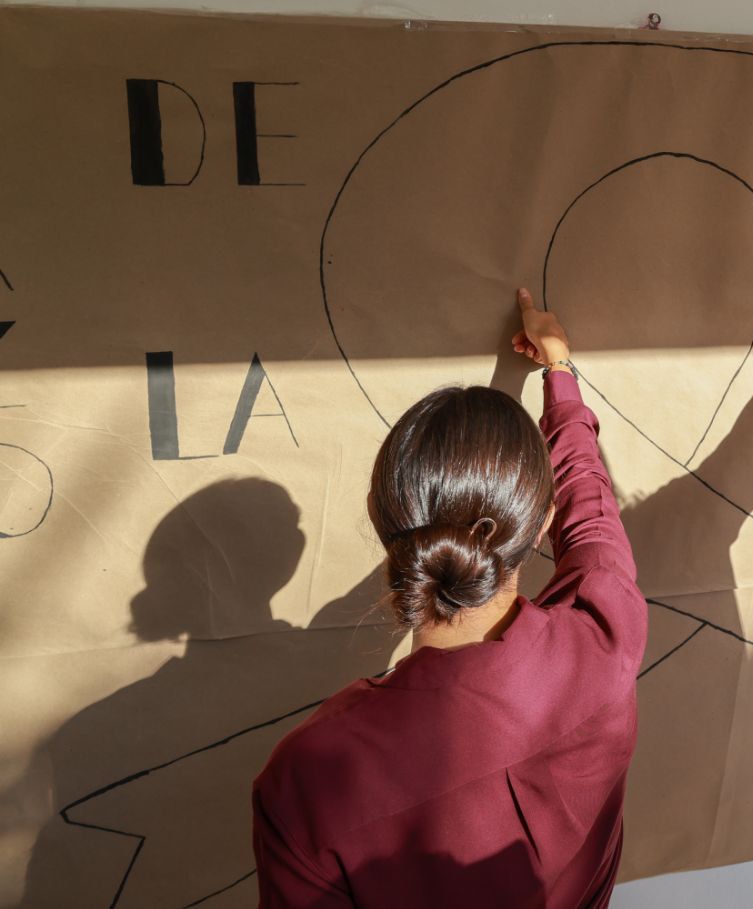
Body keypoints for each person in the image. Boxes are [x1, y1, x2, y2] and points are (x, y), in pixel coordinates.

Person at [252, 289, 647, 907]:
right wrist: (559, 371)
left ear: (381, 520)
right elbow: (591, 515)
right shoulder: (606, 636)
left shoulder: (306, 777)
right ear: (543, 522)